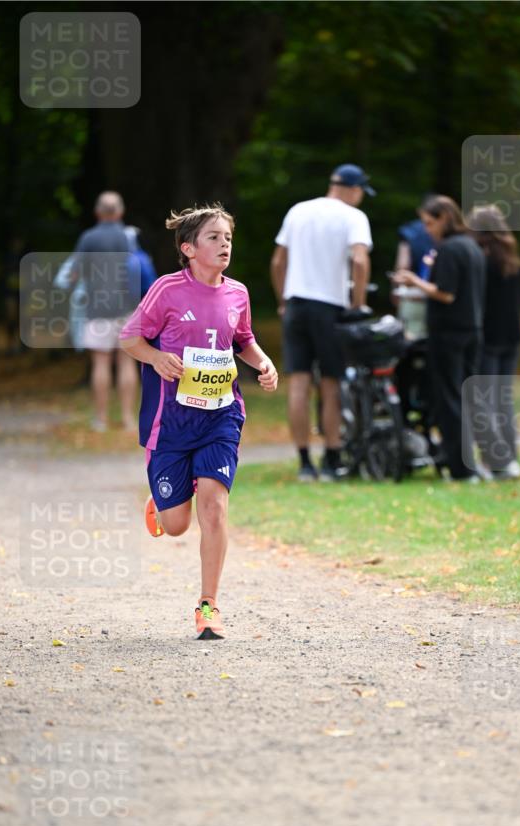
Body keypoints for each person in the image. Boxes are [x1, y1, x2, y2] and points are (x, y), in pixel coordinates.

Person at [120, 203, 278, 640]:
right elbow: (130, 337)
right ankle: (163, 502)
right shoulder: (166, 290)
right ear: (188, 248)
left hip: (221, 416)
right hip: (171, 422)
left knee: (214, 506)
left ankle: (208, 605)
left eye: (228, 237)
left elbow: (243, 339)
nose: (224, 244)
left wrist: (264, 363)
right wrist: (156, 358)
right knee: (176, 526)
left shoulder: (238, 293)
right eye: (213, 237)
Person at [270, 163, 374, 482]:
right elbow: (360, 260)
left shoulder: (298, 210)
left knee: (298, 384)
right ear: (354, 190)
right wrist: (358, 303)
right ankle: (331, 458)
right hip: (329, 307)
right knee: (330, 384)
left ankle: (304, 462)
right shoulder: (353, 217)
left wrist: (283, 301)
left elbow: (278, 261)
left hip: (296, 304)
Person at [394, 194, 486, 482]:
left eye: (429, 223)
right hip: (472, 330)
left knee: (449, 400)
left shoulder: (448, 249)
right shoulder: (471, 246)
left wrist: (414, 281)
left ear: (444, 218)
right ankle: (466, 461)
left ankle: (460, 468)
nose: (427, 230)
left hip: (448, 334)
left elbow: (445, 293)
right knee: (465, 397)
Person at [72, 191, 139, 432]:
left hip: (98, 307)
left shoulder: (88, 238)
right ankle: (128, 419)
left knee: (101, 362)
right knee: (127, 361)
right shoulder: (129, 236)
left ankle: (100, 419)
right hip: (129, 307)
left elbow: (74, 274)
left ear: (97, 212)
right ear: (120, 211)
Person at [466, 204, 520, 479]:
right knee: (503, 401)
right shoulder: (512, 261)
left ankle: (497, 460)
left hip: (489, 337)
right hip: (512, 336)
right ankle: (509, 456)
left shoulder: (481, 261)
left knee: (482, 401)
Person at [392, 206, 437, 340]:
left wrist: (395, 288)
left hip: (413, 298)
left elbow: (402, 265)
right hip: (439, 302)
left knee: (410, 341)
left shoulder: (410, 230)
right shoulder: (450, 235)